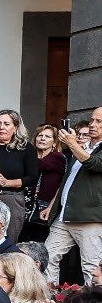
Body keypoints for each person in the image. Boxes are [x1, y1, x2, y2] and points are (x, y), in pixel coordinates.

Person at [43, 108, 102, 285]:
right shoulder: (82, 147)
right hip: (65, 216)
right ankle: (51, 301)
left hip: (89, 218)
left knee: (91, 267)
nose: (93, 125)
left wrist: (73, 145)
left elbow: (95, 164)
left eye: (99, 122)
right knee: (48, 257)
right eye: (92, 120)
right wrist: (52, 206)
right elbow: (67, 182)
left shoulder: (81, 149)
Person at [0, 109, 37, 244]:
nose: (1, 127)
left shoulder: (26, 148)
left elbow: (33, 177)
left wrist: (9, 183)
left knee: (7, 241)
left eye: (6, 124)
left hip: (12, 199)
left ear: (16, 127)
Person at [27, 123, 64, 244]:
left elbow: (40, 165)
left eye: (47, 136)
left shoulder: (57, 157)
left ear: (54, 142)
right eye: (40, 135)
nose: (42, 138)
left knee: (39, 244)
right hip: (27, 206)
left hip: (45, 208)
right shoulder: (30, 156)